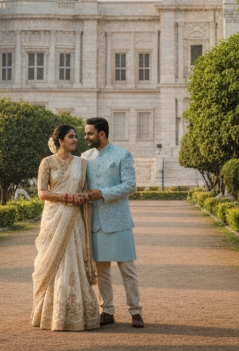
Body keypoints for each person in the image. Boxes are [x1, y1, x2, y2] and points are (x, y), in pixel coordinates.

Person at [31, 124, 100, 331]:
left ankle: (77, 315)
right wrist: (67, 197)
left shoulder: (82, 163)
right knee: (53, 262)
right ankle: (51, 314)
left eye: (76, 137)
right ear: (60, 140)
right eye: (71, 137)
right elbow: (42, 193)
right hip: (54, 218)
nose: (75, 140)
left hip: (74, 219)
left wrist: (84, 197)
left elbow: (86, 191)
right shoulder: (47, 162)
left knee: (73, 261)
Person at [82, 117, 143, 328]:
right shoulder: (84, 157)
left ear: (102, 134)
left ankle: (135, 311)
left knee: (128, 270)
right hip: (95, 223)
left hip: (119, 221)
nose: (86, 137)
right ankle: (106, 310)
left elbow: (130, 185)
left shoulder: (122, 154)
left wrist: (102, 193)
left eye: (90, 133)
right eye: (85, 133)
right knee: (102, 273)